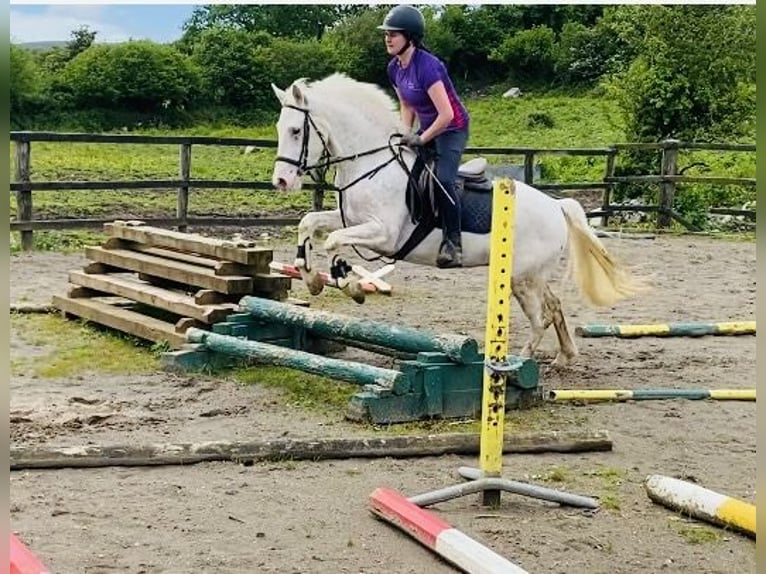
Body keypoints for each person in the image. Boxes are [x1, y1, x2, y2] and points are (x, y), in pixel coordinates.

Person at [378, 5, 470, 269]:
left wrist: (421, 138)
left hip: (453, 129)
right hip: (429, 127)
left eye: (393, 34)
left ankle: (454, 243)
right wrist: (405, 135)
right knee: (407, 169)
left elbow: (447, 114)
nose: (388, 38)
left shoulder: (428, 67)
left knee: (442, 179)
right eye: (387, 33)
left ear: (410, 37)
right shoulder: (394, 68)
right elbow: (407, 106)